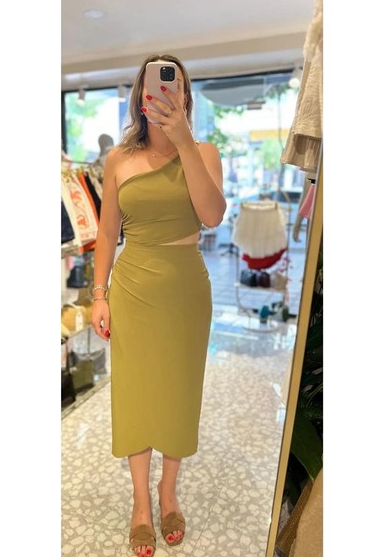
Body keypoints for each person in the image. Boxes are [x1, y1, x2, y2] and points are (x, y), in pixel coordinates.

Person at [91, 54, 226, 557]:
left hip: (186, 290)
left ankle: (169, 492)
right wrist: (99, 294)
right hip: (131, 289)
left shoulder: (205, 151)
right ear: (141, 95)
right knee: (135, 394)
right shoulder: (118, 160)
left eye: (177, 86)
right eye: (157, 84)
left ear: (185, 97)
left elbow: (212, 215)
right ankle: (140, 503)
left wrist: (185, 142)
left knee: (178, 392)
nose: (167, 92)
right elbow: (108, 231)